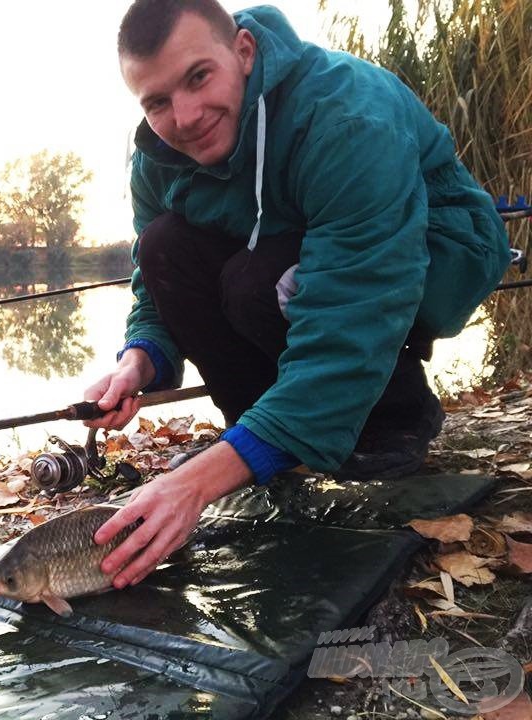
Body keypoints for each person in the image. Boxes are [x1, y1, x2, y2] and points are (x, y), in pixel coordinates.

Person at [86, 0, 511, 590]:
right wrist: (141, 358)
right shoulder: (157, 159)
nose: (183, 116)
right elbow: (152, 279)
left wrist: (198, 483)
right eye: (157, 101)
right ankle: (263, 435)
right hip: (291, 253)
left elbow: (355, 307)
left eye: (198, 77)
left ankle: (395, 419)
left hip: (434, 250)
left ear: (242, 50)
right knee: (165, 244)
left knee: (265, 284)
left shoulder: (346, 114)